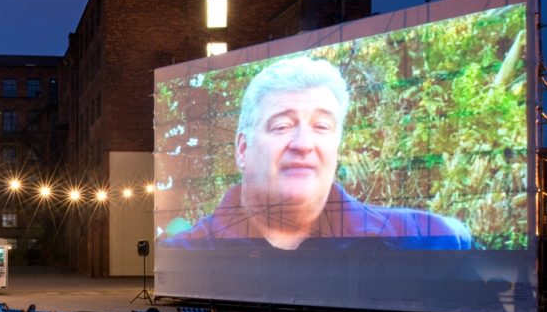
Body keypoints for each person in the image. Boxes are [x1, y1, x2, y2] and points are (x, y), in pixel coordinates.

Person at [163, 56, 474, 251]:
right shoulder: (185, 251)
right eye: (282, 126)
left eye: (321, 126)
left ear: (337, 147)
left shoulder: (429, 239)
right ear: (243, 149)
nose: (303, 143)